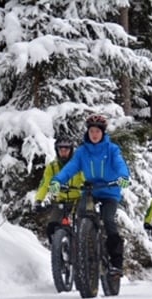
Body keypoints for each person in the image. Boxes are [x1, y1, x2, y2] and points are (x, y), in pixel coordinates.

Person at [49, 114, 130, 276]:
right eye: (92, 131)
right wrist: (57, 180)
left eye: (97, 132)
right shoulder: (82, 151)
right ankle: (82, 249)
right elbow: (70, 168)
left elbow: (120, 164)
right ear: (88, 132)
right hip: (90, 191)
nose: (94, 134)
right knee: (81, 215)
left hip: (110, 191)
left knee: (108, 220)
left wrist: (123, 177)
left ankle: (116, 261)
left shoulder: (111, 149)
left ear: (103, 133)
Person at [33, 137, 85, 243]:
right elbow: (44, 184)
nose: (64, 152)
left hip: (78, 198)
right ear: (57, 150)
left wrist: (87, 185)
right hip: (61, 200)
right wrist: (38, 200)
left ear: (71, 151)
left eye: (67, 149)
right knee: (51, 227)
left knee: (81, 223)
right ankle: (58, 254)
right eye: (61, 149)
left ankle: (84, 250)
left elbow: (86, 178)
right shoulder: (52, 167)